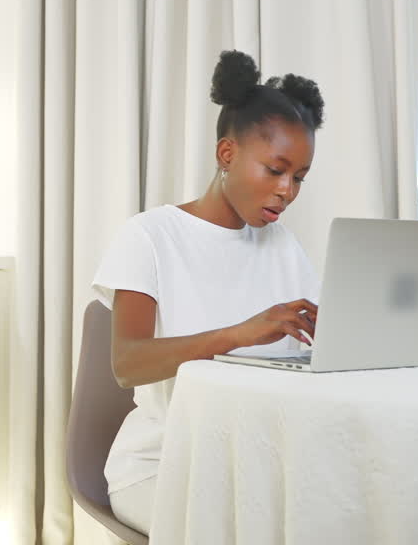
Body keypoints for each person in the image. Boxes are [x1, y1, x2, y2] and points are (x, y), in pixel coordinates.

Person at [91, 50, 324, 535]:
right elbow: (127, 363)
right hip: (163, 467)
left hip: (256, 467)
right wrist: (239, 333)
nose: (288, 191)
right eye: (275, 170)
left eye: (298, 177)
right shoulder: (150, 235)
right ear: (227, 155)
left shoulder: (282, 245)